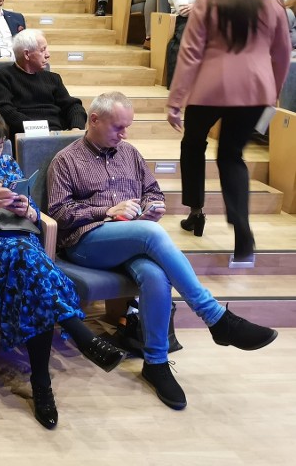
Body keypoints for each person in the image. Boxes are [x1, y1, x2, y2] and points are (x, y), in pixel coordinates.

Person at [47, 91, 279, 411]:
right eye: (118, 127)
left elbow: (153, 191)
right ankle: (215, 317)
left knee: (156, 276)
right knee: (151, 233)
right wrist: (107, 211)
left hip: (133, 238)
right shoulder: (67, 160)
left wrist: (153, 206)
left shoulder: (129, 153)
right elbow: (59, 213)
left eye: (127, 127)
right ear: (94, 120)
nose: (124, 134)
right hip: (86, 243)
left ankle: (155, 362)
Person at [0, 100, 125, 429]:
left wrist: (28, 209)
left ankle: (42, 383)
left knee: (31, 272)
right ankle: (78, 341)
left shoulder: (8, 166)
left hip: (21, 245)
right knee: (28, 261)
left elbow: (36, 219)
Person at [167, 0, 291, 260]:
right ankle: (243, 235)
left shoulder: (206, 3)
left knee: (193, 144)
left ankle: (196, 210)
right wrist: (272, 95)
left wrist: (175, 100)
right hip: (254, 91)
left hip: (210, 90)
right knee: (231, 157)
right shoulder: (272, 4)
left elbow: (190, 54)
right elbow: (281, 54)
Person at [0, 29, 87, 135]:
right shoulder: (4, 76)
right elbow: (4, 110)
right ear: (27, 54)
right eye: (42, 50)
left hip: (58, 134)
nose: (48, 54)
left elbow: (73, 106)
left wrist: (76, 128)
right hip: (26, 136)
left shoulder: (53, 78)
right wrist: (38, 130)